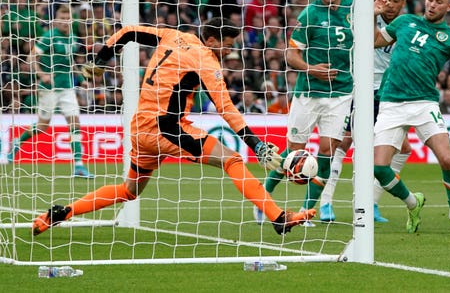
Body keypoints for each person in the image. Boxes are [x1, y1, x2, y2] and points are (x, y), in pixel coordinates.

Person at [31, 18, 315, 236]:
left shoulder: (172, 36)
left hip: (140, 127)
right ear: (213, 40)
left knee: (130, 190)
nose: (229, 51)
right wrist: (257, 144)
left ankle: (62, 213)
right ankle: (278, 217)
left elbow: (128, 31)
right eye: (227, 45)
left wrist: (102, 58)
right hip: (166, 128)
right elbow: (226, 107)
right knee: (233, 159)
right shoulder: (204, 59)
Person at [372, 0, 450, 234]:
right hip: (391, 102)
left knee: (447, 160)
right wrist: (373, 15)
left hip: (424, 102)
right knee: (379, 168)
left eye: (438, 1)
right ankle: (412, 203)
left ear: (449, 7)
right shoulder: (404, 22)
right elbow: (373, 41)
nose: (432, 4)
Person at [253, 0, 353, 226]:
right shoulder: (310, 14)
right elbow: (290, 55)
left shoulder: (352, 8)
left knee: (328, 151)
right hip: (309, 92)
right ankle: (264, 199)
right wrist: (312, 69)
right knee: (294, 153)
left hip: (341, 93)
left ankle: (307, 211)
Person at [319, 0, 413, 224]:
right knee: (345, 141)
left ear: (403, 3)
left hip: (392, 91)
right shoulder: (366, 12)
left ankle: (370, 202)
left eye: (396, 1)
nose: (390, 5)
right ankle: (326, 202)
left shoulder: (408, 25)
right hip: (363, 87)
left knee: (403, 149)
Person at [5, 6, 93, 178]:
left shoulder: (74, 38)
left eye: (68, 17)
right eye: (62, 16)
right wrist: (42, 75)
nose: (65, 20)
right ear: (56, 19)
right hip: (49, 89)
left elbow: (70, 62)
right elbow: (31, 58)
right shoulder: (48, 37)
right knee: (42, 126)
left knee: (75, 124)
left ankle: (79, 166)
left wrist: (81, 80)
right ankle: (17, 142)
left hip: (67, 87)